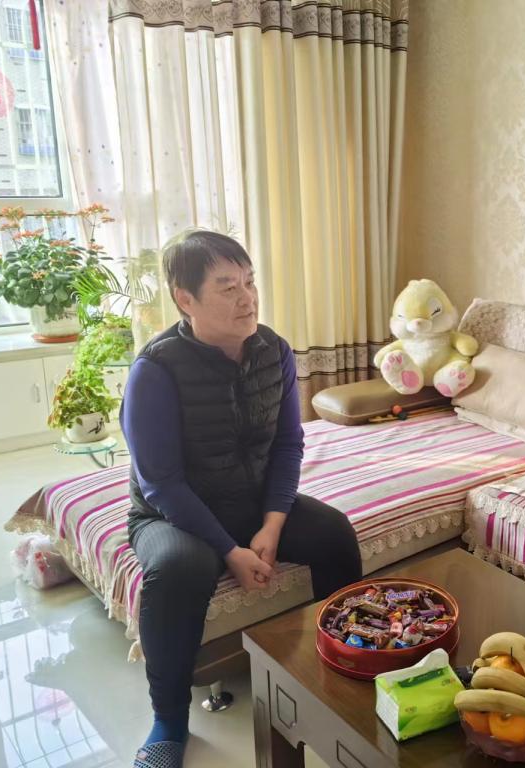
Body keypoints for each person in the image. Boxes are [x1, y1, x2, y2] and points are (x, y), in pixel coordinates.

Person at [121, 231, 362, 768]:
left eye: (250, 282)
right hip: (170, 513)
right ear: (185, 299)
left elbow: (288, 444)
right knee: (180, 567)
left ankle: (344, 662)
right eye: (227, 287)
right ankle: (168, 722)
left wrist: (272, 525)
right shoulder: (155, 370)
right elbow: (161, 482)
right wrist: (231, 551)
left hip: (252, 499)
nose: (248, 298)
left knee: (334, 532)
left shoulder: (274, 351)